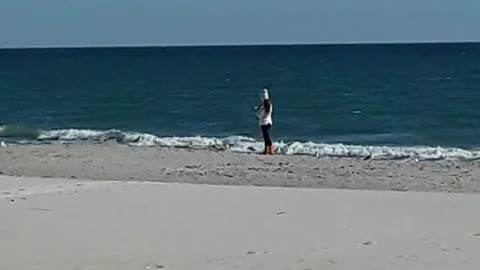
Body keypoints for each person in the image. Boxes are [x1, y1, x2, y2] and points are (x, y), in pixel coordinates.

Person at [255, 88, 274, 155]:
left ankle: (270, 150)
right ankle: (268, 149)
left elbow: (260, 115)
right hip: (269, 122)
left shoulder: (264, 106)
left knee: (266, 137)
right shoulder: (270, 105)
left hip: (264, 122)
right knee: (266, 136)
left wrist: (257, 111)